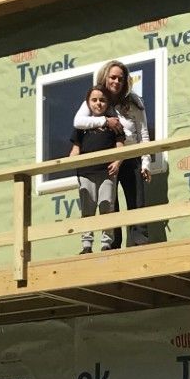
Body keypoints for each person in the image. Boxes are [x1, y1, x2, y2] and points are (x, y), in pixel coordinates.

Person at [71, 60, 151, 247]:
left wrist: (146, 162)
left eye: (120, 79)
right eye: (113, 77)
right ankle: (112, 246)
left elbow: (144, 133)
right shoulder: (97, 98)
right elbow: (78, 121)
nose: (116, 82)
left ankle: (139, 244)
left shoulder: (134, 102)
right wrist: (105, 122)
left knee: (136, 201)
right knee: (110, 203)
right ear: (105, 77)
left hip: (131, 156)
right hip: (107, 159)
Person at [69, 84, 122, 252]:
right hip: (86, 172)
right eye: (94, 100)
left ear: (108, 103)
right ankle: (86, 245)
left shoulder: (113, 124)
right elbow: (75, 150)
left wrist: (117, 161)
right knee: (88, 208)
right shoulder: (82, 127)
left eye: (102, 100)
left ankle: (106, 243)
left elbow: (120, 146)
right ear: (88, 103)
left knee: (107, 205)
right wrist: (72, 162)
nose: (98, 103)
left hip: (107, 172)